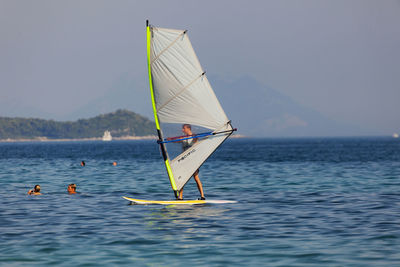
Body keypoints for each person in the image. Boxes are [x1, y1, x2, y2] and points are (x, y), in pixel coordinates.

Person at [178, 124, 205, 200]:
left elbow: (195, 139)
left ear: (188, 128)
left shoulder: (194, 137)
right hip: (184, 162)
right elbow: (173, 141)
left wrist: (194, 136)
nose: (182, 130)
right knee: (181, 179)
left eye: (183, 128)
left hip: (193, 162)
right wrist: (164, 140)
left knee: (196, 178)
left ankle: (202, 196)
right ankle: (180, 197)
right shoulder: (183, 138)